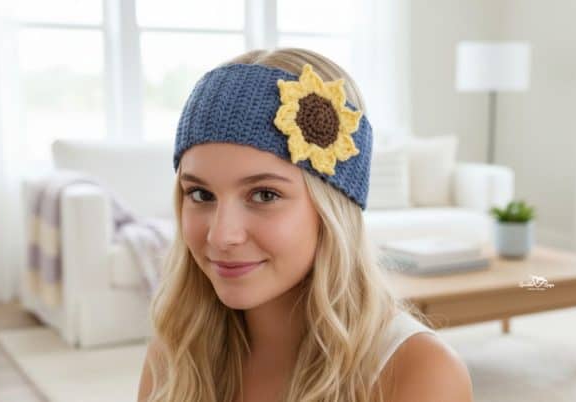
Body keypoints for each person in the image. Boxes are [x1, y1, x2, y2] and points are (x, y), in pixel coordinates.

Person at [137, 47, 473, 402]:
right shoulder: (176, 353)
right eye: (201, 195)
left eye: (264, 195)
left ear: (333, 208)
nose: (222, 236)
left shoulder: (419, 373)